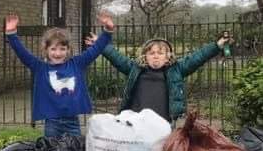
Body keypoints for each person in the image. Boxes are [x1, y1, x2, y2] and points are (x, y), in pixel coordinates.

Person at [5, 12, 116, 137]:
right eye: (53, 49)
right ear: (46, 50)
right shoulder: (40, 67)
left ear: (68, 49)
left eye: (62, 49)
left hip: (73, 122)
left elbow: (96, 48)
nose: (58, 53)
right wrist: (11, 34)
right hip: (52, 123)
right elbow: (22, 53)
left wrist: (108, 30)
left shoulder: (77, 63)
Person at [84, 31, 231, 125]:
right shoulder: (135, 69)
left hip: (163, 123)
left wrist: (217, 46)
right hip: (136, 122)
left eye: (160, 53)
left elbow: (198, 57)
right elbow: (116, 57)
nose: (155, 56)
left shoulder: (176, 70)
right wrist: (101, 45)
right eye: (151, 53)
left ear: (168, 57)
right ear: (145, 56)